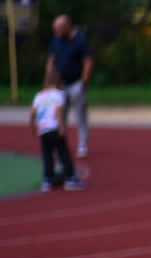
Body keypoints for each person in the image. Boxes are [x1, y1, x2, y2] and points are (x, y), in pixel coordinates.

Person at [30, 69, 85, 192]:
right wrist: (61, 126)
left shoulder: (39, 95)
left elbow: (33, 112)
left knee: (47, 155)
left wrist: (33, 125)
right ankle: (70, 179)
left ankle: (47, 180)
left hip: (43, 129)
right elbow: (59, 111)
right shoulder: (59, 95)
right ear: (59, 83)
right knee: (63, 153)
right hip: (54, 127)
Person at [47, 14, 93, 159]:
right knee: (60, 117)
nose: (57, 33)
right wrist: (50, 81)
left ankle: (83, 146)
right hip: (60, 85)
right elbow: (51, 61)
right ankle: (60, 146)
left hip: (76, 84)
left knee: (80, 117)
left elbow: (88, 61)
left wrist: (84, 82)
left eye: (59, 29)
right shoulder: (56, 40)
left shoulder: (80, 40)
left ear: (67, 27)